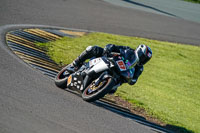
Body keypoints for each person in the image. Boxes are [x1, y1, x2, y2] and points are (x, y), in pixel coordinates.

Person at [68, 44, 152, 86]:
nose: (143, 60)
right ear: (139, 52)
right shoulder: (128, 50)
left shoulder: (139, 69)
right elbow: (114, 47)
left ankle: (100, 87)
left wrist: (130, 79)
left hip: (116, 77)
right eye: (143, 57)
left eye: (145, 60)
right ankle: (75, 63)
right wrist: (109, 48)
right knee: (93, 49)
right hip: (109, 60)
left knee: (113, 90)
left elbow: (134, 81)